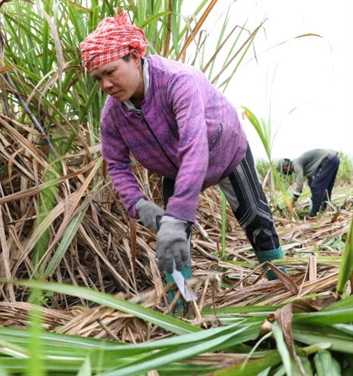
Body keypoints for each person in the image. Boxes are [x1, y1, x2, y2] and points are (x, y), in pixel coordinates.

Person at [79, 12, 286, 291]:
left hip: (224, 152)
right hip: (175, 169)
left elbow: (194, 148)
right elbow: (116, 164)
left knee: (257, 222)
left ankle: (283, 293)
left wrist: (178, 216)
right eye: (97, 79)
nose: (105, 85)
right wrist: (138, 204)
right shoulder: (113, 115)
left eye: (110, 72)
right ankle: (181, 309)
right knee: (173, 242)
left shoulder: (177, 81)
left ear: (135, 57)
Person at [277, 149, 340, 217]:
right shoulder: (299, 164)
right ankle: (324, 209)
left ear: (286, 167)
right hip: (334, 159)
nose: (285, 173)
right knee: (326, 187)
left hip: (328, 159)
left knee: (316, 186)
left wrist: (293, 202)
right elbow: (310, 180)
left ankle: (313, 214)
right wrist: (313, 195)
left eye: (283, 171)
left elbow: (300, 185)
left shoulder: (296, 165)